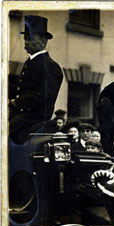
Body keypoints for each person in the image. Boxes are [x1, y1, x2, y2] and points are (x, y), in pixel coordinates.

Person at [9, 15, 63, 143]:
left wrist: (16, 102)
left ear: (43, 41)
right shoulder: (31, 62)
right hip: (21, 113)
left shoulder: (50, 66)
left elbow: (44, 95)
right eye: (25, 38)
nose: (26, 42)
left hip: (34, 116)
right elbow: (20, 88)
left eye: (31, 38)